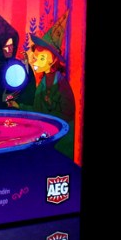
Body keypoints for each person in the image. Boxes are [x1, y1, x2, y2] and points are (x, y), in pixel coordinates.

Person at [27, 11, 76, 160]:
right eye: (36, 57)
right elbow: (37, 110)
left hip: (62, 144)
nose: (35, 61)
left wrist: (46, 120)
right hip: (49, 137)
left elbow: (67, 114)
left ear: (53, 61)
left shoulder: (61, 84)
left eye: (41, 58)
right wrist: (18, 106)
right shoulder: (42, 83)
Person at [0, 14, 35, 110]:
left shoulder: (20, 66)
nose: (10, 49)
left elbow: (28, 96)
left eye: (11, 45)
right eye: (6, 46)